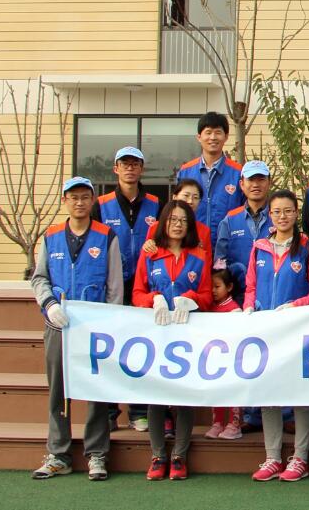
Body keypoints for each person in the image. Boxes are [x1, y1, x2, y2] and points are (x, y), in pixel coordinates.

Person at [28, 177, 124, 482]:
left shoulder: (106, 236)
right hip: (58, 324)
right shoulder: (51, 236)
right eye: (74, 197)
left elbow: (114, 285)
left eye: (85, 197)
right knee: (58, 389)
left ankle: (97, 453)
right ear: (65, 201)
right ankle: (58, 453)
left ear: (92, 201)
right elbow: (39, 277)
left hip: (94, 327)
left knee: (96, 389)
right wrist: (49, 305)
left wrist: (109, 321)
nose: (79, 202)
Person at [247, 190, 309, 483]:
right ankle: (272, 457)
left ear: (296, 213)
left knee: (300, 392)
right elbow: (251, 286)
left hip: (298, 329)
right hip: (266, 332)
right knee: (269, 393)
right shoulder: (259, 248)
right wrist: (249, 307)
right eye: (277, 211)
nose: (282, 216)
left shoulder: (308, 247)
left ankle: (300, 457)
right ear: (270, 215)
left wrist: (295, 305)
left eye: (288, 211)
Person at [133, 199, 211, 481]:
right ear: (163, 222)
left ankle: (179, 455)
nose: (178, 225)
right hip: (157, 333)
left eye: (183, 220)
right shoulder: (150, 255)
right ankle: (158, 455)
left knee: (183, 396)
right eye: (173, 219)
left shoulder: (200, 256)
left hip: (188, 335)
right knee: (156, 395)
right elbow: (137, 293)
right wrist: (153, 299)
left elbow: (207, 296)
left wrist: (191, 299)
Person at [92, 146, 159, 432]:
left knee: (141, 348)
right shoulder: (101, 203)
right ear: (116, 168)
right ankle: (109, 411)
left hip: (144, 285)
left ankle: (139, 410)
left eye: (135, 163)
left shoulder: (156, 203)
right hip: (112, 286)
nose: (130, 168)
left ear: (142, 169)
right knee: (110, 348)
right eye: (125, 163)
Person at [177, 111, 244, 245]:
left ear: (226, 137)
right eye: (208, 132)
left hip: (228, 246)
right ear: (199, 137)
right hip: (192, 245)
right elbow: (177, 209)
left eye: (218, 132)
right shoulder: (186, 171)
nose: (213, 137)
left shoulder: (238, 172)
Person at [215, 160, 273, 285]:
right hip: (238, 290)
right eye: (250, 180)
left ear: (269, 183)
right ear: (241, 184)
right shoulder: (230, 220)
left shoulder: (278, 217)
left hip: (270, 290)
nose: (255, 185)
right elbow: (220, 262)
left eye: (261, 179)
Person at [204, 269, 243, 440]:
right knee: (216, 390)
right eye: (211, 287)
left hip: (232, 359)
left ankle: (234, 424)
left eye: (217, 286)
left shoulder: (234, 310)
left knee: (233, 390)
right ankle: (217, 423)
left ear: (229, 287)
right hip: (214, 359)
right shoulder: (209, 308)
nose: (213, 290)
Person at [143, 179, 213, 272]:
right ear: (175, 197)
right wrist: (148, 245)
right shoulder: (156, 227)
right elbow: (146, 260)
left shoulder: (204, 230)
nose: (190, 201)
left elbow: (207, 264)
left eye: (195, 197)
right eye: (186, 195)